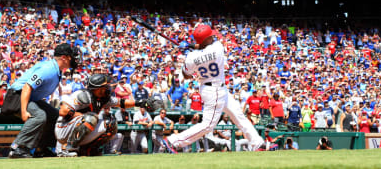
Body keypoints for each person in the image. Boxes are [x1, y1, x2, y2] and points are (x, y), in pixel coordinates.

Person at [163, 24, 264, 153]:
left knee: (238, 115)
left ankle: (257, 143)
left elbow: (186, 75)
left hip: (210, 88)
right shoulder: (218, 47)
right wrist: (192, 47)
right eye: (210, 36)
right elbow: (204, 46)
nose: (213, 36)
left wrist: (188, 52)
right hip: (215, 90)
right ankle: (173, 141)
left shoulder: (192, 57)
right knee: (208, 125)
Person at [7, 43, 80, 158]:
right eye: (72, 56)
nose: (74, 59)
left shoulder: (56, 69)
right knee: (40, 115)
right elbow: (27, 87)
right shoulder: (48, 69)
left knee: (55, 115)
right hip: (16, 96)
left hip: (29, 97)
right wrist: (24, 111)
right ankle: (18, 148)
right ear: (64, 58)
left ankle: (41, 149)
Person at [54, 74, 148, 157]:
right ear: (97, 89)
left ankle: (88, 150)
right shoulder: (83, 95)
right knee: (91, 117)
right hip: (63, 129)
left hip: (81, 126)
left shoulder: (102, 98)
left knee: (110, 124)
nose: (107, 88)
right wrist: (82, 115)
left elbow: (121, 102)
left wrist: (139, 103)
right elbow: (63, 111)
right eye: (105, 86)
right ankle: (67, 148)